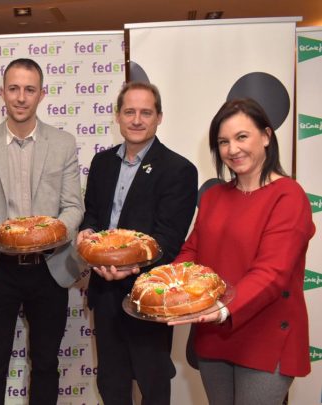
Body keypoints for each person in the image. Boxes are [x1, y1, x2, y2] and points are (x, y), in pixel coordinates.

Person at [169, 98, 315, 405]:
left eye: (241, 137)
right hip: (215, 334)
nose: (232, 149)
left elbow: (272, 273)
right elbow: (191, 252)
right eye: (223, 142)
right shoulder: (214, 196)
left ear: (266, 136)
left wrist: (223, 309)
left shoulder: (289, 196)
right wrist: (164, 285)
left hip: (265, 336)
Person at [0, 58, 84, 405]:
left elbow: (73, 207)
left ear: (42, 94)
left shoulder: (63, 143)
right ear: (2, 93)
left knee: (46, 364)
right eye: (13, 88)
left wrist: (51, 233)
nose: (21, 97)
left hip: (50, 268)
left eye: (29, 89)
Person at [77, 81, 198, 405]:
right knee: (111, 385)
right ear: (118, 116)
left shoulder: (179, 170)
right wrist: (87, 232)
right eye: (129, 111)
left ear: (159, 117)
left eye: (146, 112)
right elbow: (92, 214)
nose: (136, 119)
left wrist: (130, 267)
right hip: (104, 291)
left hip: (148, 295)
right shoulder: (102, 163)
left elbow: (169, 238)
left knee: (152, 384)